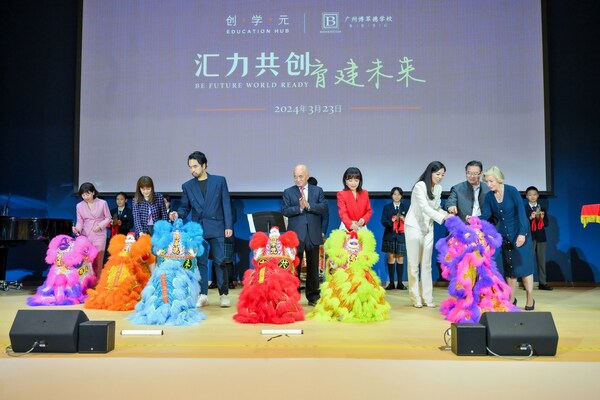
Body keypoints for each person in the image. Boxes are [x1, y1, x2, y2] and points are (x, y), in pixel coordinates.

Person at [169, 151, 233, 308]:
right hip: (198, 229)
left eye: (195, 166)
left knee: (220, 262)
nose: (193, 170)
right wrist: (178, 214)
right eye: (190, 167)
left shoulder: (219, 181)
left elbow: (226, 204)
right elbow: (185, 208)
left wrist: (228, 226)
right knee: (200, 263)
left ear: (204, 165)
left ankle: (223, 294)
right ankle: (203, 294)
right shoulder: (188, 186)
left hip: (218, 226)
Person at [481, 166, 536, 310]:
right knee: (510, 270)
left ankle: (530, 297)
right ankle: (511, 298)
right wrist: (474, 221)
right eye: (487, 182)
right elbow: (486, 216)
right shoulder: (489, 197)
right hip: (505, 237)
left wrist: (523, 234)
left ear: (499, 179)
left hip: (520, 234)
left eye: (491, 181)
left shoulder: (512, 191)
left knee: (524, 268)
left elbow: (522, 215)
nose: (489, 185)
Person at [404, 161, 450, 308]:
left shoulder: (438, 188)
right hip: (414, 226)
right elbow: (424, 207)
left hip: (428, 227)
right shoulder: (420, 186)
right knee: (413, 264)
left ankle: (427, 298)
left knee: (426, 264)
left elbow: (436, 208)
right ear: (430, 172)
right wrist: (442, 218)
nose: (440, 177)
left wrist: (448, 214)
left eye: (443, 175)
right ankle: (415, 297)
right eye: (438, 174)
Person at [282, 164, 328, 306]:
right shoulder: (288, 192)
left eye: (300, 176)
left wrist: (309, 206)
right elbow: (285, 210)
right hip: (296, 235)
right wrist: (299, 208)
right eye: (295, 176)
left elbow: (322, 208)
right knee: (294, 267)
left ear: (307, 176)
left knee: (313, 267)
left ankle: (313, 296)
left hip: (313, 233)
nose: (297, 179)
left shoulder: (317, 191)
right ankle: (293, 297)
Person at [72, 182, 111, 280]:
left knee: (98, 260)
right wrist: (77, 230)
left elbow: (108, 218)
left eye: (88, 194)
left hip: (99, 234)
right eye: (83, 194)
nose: (85, 197)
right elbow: (80, 222)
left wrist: (100, 225)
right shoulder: (79, 206)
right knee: (87, 260)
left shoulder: (102, 203)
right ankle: (87, 282)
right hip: (86, 235)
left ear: (93, 192)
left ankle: (98, 283)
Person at [525, 185, 552, 291]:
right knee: (528, 261)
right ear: (527, 196)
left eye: (534, 195)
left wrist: (542, 218)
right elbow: (522, 223)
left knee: (541, 261)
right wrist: (530, 218)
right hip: (529, 238)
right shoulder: (524, 208)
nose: (532, 197)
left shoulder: (542, 208)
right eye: (530, 195)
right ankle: (527, 283)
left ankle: (543, 283)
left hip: (541, 237)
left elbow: (546, 223)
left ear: (538, 196)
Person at [380, 187, 407, 290]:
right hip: (389, 236)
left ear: (401, 196)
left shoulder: (405, 207)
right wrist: (392, 221)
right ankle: (391, 283)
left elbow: (410, 222)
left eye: (399, 194)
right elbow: (383, 222)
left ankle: (400, 283)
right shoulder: (387, 207)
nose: (396, 196)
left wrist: (404, 220)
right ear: (391, 195)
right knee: (391, 258)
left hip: (401, 236)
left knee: (400, 258)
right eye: (394, 194)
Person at [336, 167, 372, 231]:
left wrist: (364, 219)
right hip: (347, 227)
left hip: (361, 227)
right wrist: (350, 224)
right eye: (350, 180)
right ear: (345, 181)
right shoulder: (341, 194)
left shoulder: (365, 193)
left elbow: (368, 211)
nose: (353, 183)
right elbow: (342, 213)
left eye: (356, 180)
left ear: (360, 181)